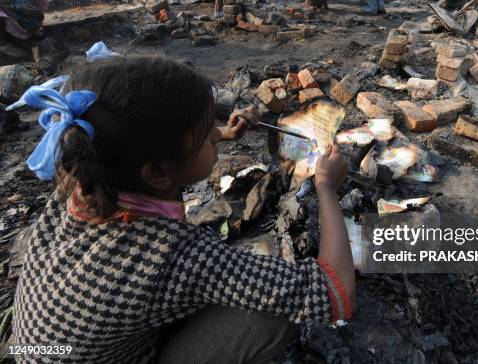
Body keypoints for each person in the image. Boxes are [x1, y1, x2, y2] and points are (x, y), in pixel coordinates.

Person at [10, 55, 355, 363]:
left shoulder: (81, 180)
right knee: (274, 314)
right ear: (158, 172)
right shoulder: (176, 254)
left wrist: (220, 135)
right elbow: (333, 293)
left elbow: (153, 156)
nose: (213, 134)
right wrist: (325, 188)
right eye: (205, 133)